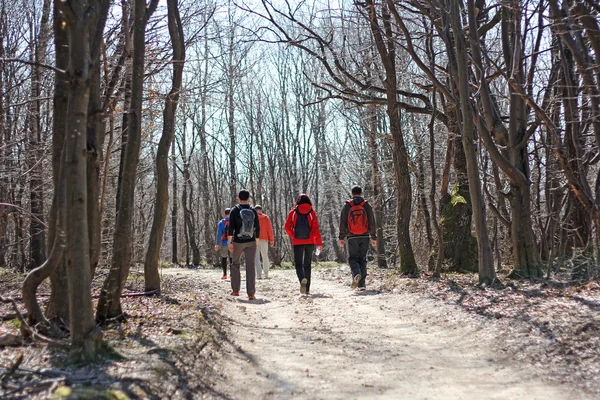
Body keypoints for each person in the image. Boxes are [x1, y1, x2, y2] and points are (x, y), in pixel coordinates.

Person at [339, 186, 377, 289]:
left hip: (351, 237)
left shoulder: (347, 205)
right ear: (361, 193)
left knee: (352, 258)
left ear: (352, 194)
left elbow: (342, 222)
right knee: (362, 259)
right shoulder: (366, 205)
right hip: (365, 235)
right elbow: (372, 221)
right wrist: (373, 237)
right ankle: (362, 285)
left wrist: (341, 237)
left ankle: (356, 274)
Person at [285, 194, 322, 295]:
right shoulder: (312, 212)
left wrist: (294, 235)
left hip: (297, 242)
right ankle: (307, 289)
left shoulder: (293, 212)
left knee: (298, 264)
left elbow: (287, 227)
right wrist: (319, 242)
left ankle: (302, 279)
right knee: (307, 265)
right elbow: (315, 229)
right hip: (310, 241)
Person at [228, 189, 260, 300]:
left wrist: (230, 242)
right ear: (249, 198)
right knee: (250, 267)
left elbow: (230, 227)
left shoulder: (234, 210)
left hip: (238, 241)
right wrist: (256, 241)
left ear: (238, 198)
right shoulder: (253, 210)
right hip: (251, 241)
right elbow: (257, 227)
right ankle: (251, 293)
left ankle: (236, 290)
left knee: (235, 264)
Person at [254, 205, 275, 279]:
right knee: (265, 256)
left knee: (256, 257)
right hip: (264, 239)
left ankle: (259, 275)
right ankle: (266, 274)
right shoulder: (266, 218)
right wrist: (271, 239)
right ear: (261, 210)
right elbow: (269, 229)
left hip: (255, 239)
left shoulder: (253, 217)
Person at [214, 208, 232, 279]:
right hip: (232, 243)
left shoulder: (221, 222)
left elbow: (219, 234)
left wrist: (217, 244)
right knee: (232, 260)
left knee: (224, 259)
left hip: (224, 243)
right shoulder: (234, 222)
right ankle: (232, 275)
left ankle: (224, 274)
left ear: (224, 214)